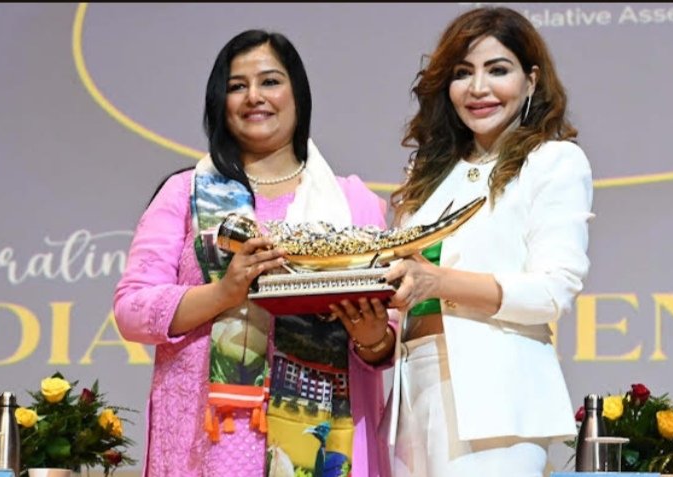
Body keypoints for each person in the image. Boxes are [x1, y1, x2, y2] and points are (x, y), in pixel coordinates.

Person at [113, 29, 395, 477]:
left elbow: (388, 335)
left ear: (297, 95)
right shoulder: (184, 193)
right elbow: (131, 310)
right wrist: (224, 293)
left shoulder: (351, 203)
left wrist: (374, 337)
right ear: (219, 102)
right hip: (205, 444)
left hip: (323, 440)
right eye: (237, 86)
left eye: (270, 81)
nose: (254, 97)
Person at [379, 6, 594, 476]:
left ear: (531, 81)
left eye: (497, 70)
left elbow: (552, 291)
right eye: (463, 73)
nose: (478, 88)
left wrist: (438, 282)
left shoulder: (552, 162)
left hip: (498, 405)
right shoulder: (426, 173)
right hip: (412, 395)